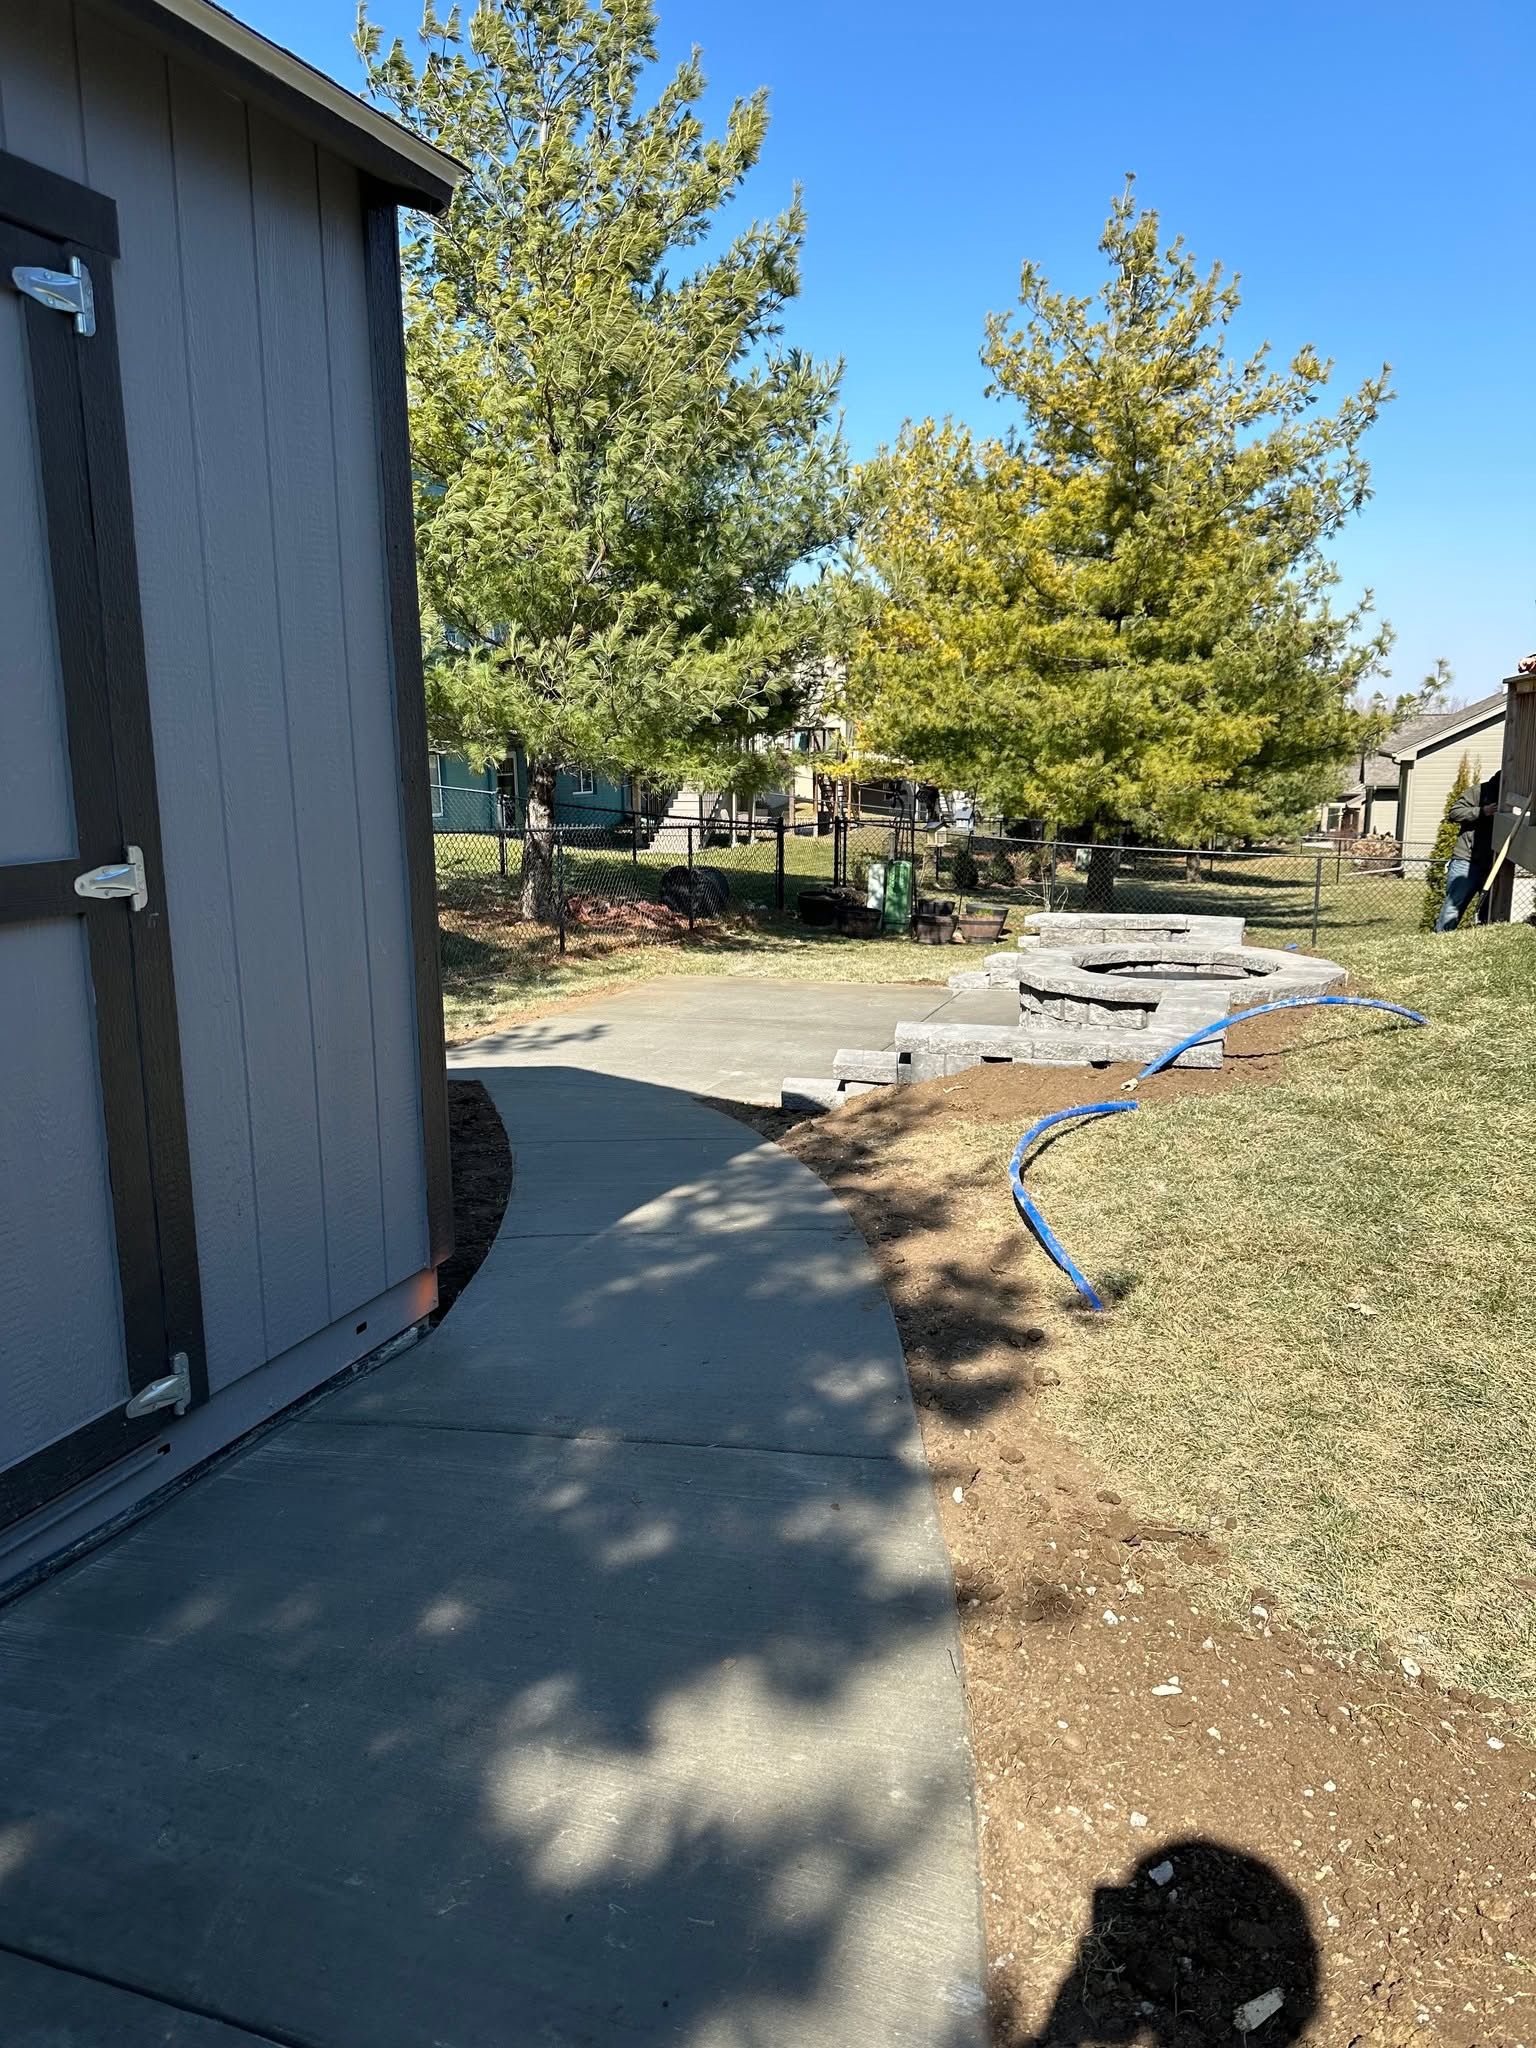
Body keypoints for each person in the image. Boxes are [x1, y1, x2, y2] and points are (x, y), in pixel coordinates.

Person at [1436, 769, 1501, 932]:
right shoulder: (1479, 791)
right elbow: (1454, 813)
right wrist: (1482, 811)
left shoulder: (1510, 798)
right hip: (1466, 860)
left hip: (1493, 862)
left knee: (1490, 911)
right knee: (1453, 907)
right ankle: (1440, 940)